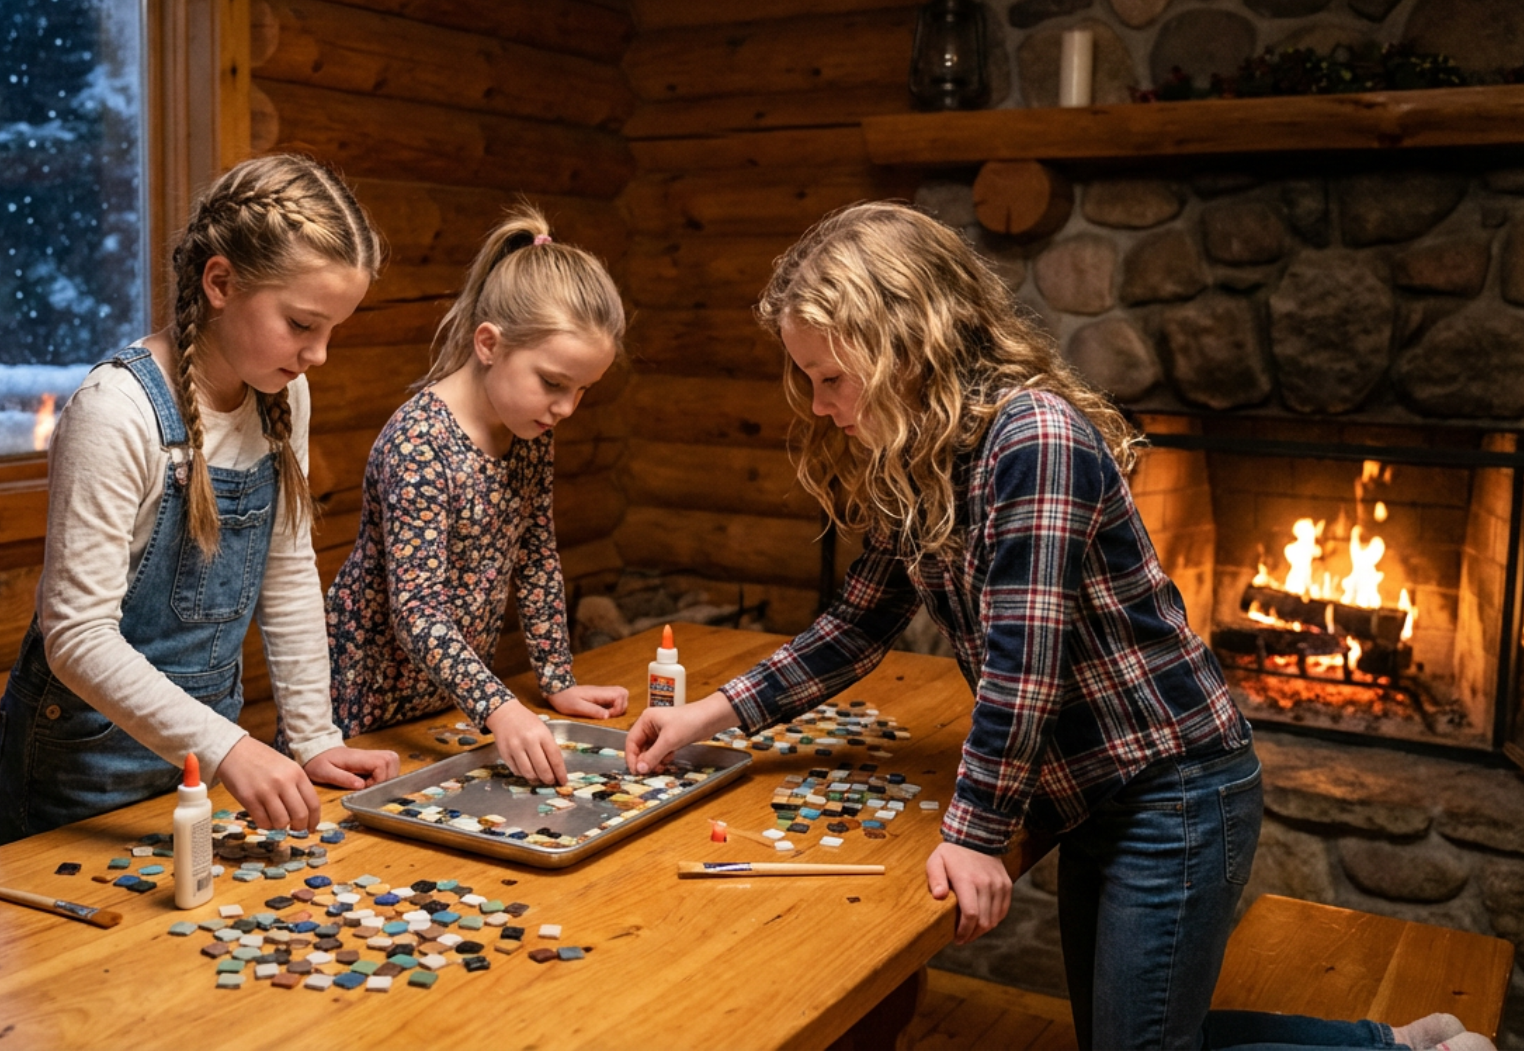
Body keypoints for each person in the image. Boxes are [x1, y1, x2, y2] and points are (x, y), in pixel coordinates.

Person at [622, 201, 1489, 1051]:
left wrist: (973, 834)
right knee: (1137, 1037)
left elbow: (1023, 670)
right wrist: (708, 715)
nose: (818, 406)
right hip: (1096, 793)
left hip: (1177, 788)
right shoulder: (920, 457)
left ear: (905, 348)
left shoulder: (1034, 437)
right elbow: (854, 626)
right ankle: (1407, 1047)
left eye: (831, 378)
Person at [0, 153, 398, 847]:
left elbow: (288, 569)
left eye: (334, 330)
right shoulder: (115, 411)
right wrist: (231, 749)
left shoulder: (283, 393)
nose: (319, 354)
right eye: (302, 324)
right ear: (220, 282)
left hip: (198, 765)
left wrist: (314, 738)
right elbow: (77, 638)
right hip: (84, 772)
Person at [324, 206, 630, 785]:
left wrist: (557, 681)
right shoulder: (419, 443)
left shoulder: (530, 431)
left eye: (584, 389)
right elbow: (418, 610)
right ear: (489, 344)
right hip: (359, 715)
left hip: (447, 707)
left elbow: (537, 559)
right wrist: (498, 705)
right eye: (554, 383)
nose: (566, 408)